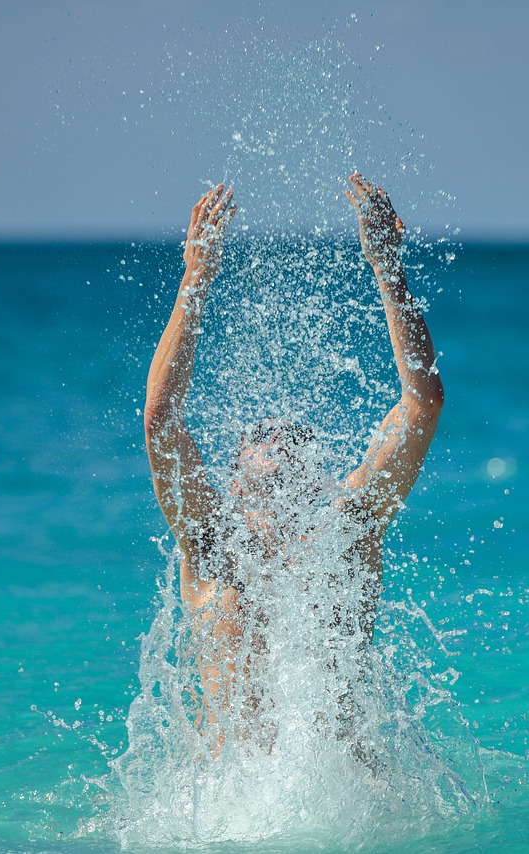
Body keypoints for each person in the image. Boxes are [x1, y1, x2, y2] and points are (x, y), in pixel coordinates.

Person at [143, 174, 443, 740]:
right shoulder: (210, 545)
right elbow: (161, 420)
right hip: (230, 820)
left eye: (296, 456)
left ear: (322, 482)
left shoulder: (349, 533)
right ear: (232, 485)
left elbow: (422, 403)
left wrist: (388, 270)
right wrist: (195, 279)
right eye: (264, 452)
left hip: (353, 815)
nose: (281, 451)